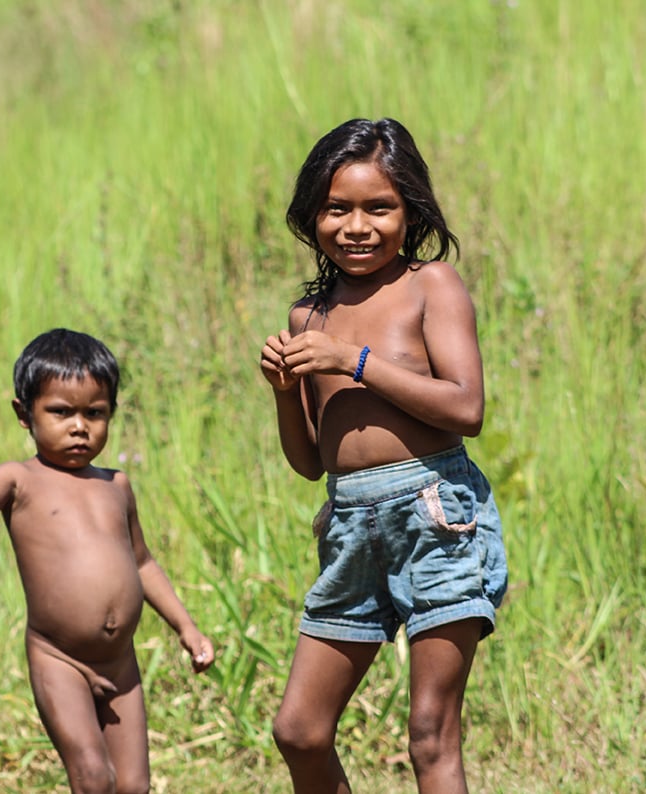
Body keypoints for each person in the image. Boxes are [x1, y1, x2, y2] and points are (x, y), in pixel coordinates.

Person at [259, 118, 508, 794]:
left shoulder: (431, 286)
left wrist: (354, 360)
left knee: (429, 734)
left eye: (379, 208)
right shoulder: (306, 317)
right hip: (348, 525)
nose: (356, 226)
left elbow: (465, 409)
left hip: (434, 513)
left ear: (410, 212)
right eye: (337, 209)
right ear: (311, 215)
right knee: (299, 731)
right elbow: (312, 461)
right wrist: (285, 391)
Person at [0, 328, 214, 794]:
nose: (80, 426)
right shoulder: (17, 481)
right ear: (24, 414)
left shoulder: (115, 485)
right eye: (61, 412)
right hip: (58, 659)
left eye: (95, 413)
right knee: (93, 778)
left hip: (122, 663)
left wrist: (187, 627)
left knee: (134, 785)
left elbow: (142, 563)